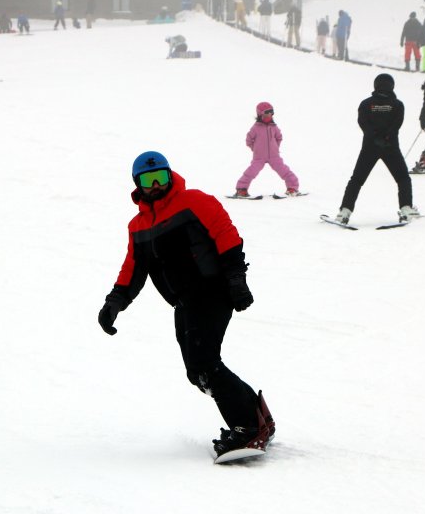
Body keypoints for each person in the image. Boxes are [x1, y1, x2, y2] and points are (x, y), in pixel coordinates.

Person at [98, 151, 274, 461]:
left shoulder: (194, 201)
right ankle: (258, 419)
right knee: (197, 373)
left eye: (160, 178)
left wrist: (236, 279)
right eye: (149, 180)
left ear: (170, 176)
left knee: (205, 364)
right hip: (184, 302)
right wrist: (115, 302)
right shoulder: (138, 226)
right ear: (138, 185)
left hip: (213, 291)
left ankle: (248, 428)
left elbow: (226, 235)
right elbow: (133, 268)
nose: (156, 185)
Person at [331, 74, 417, 226]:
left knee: (356, 180)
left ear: (375, 85)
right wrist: (386, 138)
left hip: (370, 147)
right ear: (392, 86)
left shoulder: (366, 104)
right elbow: (396, 126)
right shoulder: (398, 105)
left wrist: (375, 137)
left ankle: (344, 211)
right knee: (403, 178)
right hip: (390, 147)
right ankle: (406, 209)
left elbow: (363, 123)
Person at [233, 101, 299, 198]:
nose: (269, 115)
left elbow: (279, 137)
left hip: (274, 156)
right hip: (259, 157)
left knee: (285, 171)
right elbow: (248, 140)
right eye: (266, 113)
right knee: (250, 173)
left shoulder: (274, 127)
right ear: (260, 115)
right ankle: (241, 190)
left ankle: (292, 188)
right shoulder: (255, 128)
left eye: (271, 113)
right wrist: (255, 149)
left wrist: (275, 147)